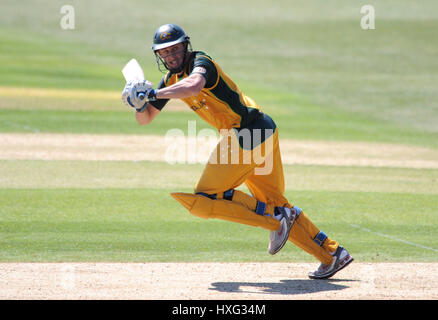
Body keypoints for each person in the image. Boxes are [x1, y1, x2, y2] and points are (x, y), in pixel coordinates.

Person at [122, 24, 353, 279]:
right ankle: (332, 254)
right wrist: (138, 100)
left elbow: (194, 86)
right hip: (261, 134)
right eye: (165, 52)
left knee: (204, 199)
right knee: (275, 201)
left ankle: (275, 218)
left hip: (249, 133)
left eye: (175, 49)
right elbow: (145, 119)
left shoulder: (202, 62)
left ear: (185, 46)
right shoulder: (170, 81)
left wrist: (153, 92)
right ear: (159, 56)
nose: (171, 56)